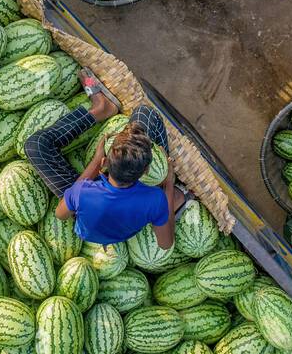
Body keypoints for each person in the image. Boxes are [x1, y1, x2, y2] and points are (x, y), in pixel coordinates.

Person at [24, 69, 182, 248]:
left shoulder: (82, 190)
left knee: (35, 145)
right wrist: (168, 183)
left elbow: (61, 215)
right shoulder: (154, 199)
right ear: (146, 170)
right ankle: (176, 194)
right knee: (145, 114)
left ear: (104, 163)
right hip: (133, 211)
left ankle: (100, 109)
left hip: (87, 211)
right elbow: (166, 244)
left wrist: (94, 163)